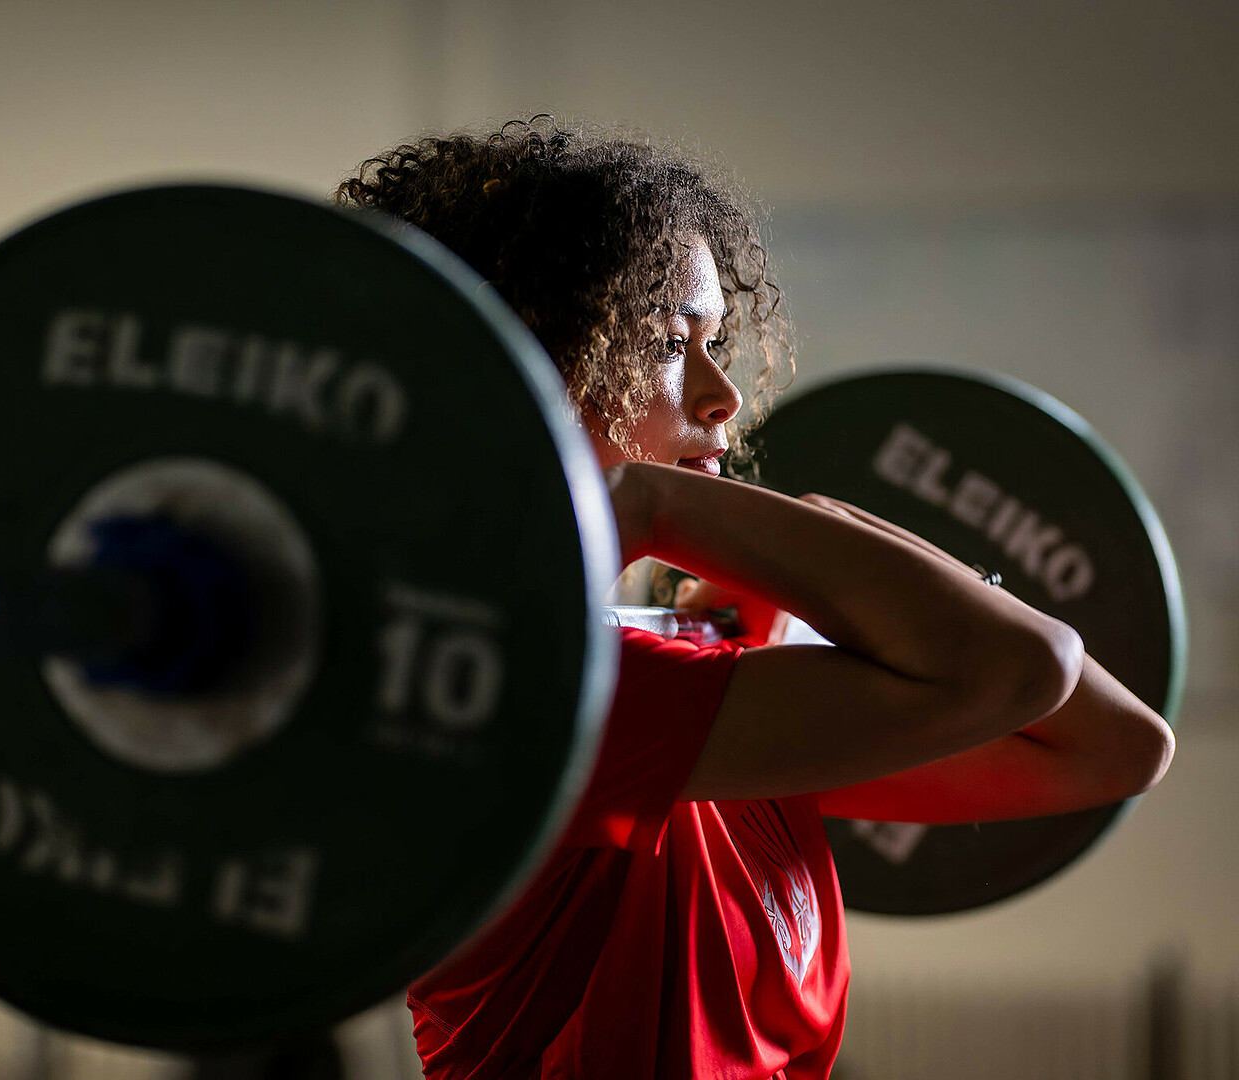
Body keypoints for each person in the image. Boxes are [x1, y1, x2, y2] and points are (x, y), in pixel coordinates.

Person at [335, 117, 1175, 1080]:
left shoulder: (690, 691)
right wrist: (658, 505)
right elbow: (1023, 668)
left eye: (715, 340)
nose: (721, 391)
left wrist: (808, 524)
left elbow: (1119, 746)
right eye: (664, 341)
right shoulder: (535, 693)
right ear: (518, 367)